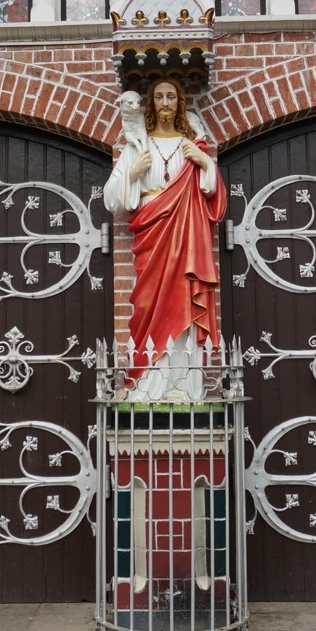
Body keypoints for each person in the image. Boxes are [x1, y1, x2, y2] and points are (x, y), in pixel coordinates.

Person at [104, 78, 227, 401]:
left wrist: (204, 162)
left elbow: (213, 192)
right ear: (152, 104)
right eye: (159, 97)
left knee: (184, 301)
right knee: (149, 306)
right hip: (151, 235)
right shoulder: (137, 147)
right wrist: (133, 172)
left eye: (171, 96)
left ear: (179, 103)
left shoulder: (190, 145)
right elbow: (111, 198)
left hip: (185, 238)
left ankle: (185, 388)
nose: (165, 102)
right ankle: (147, 386)